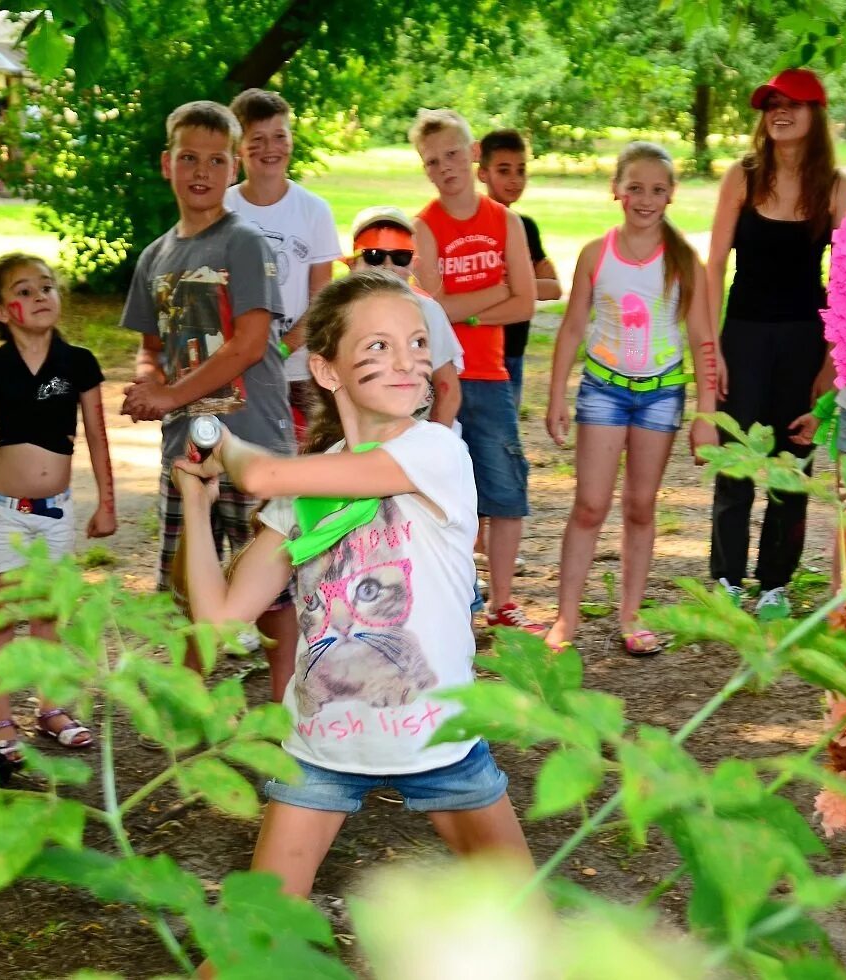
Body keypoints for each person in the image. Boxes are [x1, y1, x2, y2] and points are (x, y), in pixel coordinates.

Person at [173, 270, 533, 900]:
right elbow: (220, 618)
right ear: (327, 370)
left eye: (418, 344)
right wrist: (197, 511)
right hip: (320, 750)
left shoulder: (435, 450)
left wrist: (224, 443)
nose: (408, 363)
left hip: (441, 745)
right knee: (252, 946)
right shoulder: (306, 489)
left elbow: (257, 474)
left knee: (532, 935)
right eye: (377, 347)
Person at [118, 100, 297, 702]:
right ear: (166, 164)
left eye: (216, 160)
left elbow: (248, 345)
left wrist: (169, 391)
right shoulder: (154, 257)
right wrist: (148, 389)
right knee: (186, 582)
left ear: (233, 167)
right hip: (185, 448)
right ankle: (190, 705)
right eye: (188, 158)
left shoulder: (244, 243)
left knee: (270, 586)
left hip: (252, 442)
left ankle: (284, 709)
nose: (201, 171)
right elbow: (153, 346)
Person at [0, 253, 116, 767]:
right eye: (25, 290)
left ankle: (52, 709)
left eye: (47, 287)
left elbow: (98, 436)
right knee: (2, 615)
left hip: (54, 511)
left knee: (48, 614)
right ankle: (1, 719)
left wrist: (106, 503)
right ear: (2, 309)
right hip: (3, 511)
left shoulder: (78, 362)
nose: (40, 297)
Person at [544, 142, 720, 655]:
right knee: (590, 505)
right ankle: (565, 620)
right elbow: (574, 325)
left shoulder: (684, 260)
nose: (646, 199)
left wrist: (707, 413)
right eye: (636, 187)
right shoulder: (596, 255)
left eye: (658, 190)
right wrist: (557, 395)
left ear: (672, 196)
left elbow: (702, 337)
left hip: (661, 395)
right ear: (616, 190)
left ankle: (632, 616)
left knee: (641, 506)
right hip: (603, 390)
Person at [706, 68, 846, 619]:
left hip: (803, 340)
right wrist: (713, 347)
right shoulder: (742, 177)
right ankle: (726, 577)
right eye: (771, 104)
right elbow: (715, 263)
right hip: (742, 334)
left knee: (793, 464)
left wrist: (831, 365)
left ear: (816, 113)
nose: (779, 112)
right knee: (737, 460)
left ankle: (775, 583)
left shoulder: (838, 188)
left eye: (793, 103)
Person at [410, 108, 542, 634]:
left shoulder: (504, 221)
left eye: (451, 154)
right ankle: (458, 597)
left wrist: (464, 308)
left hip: (490, 374)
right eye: (432, 161)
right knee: (447, 495)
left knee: (506, 488)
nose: (445, 167)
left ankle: (502, 601)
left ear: (473, 155)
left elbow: (526, 302)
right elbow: (431, 304)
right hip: (443, 377)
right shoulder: (424, 226)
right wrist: (492, 295)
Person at [224, 88, 341, 444]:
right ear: (238, 148)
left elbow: (322, 296)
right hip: (235, 368)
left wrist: (286, 346)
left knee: (305, 461)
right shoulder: (223, 208)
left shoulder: (314, 210)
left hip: (299, 370)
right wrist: (244, 351)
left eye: (279, 136)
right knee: (240, 464)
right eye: (257, 139)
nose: (270, 148)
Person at [346, 205, 462, 426]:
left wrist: (435, 445)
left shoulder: (428, 311)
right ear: (353, 264)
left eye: (400, 256)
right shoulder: (341, 313)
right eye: (374, 256)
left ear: (413, 264)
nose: (388, 266)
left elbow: (447, 390)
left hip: (422, 434)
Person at [476, 129, 562, 408]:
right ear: (483, 173)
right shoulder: (472, 225)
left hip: (514, 350)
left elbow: (553, 289)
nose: (515, 180)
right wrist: (522, 286)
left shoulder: (525, 227)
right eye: (504, 170)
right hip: (478, 349)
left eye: (521, 170)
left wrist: (505, 286)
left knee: (507, 435)